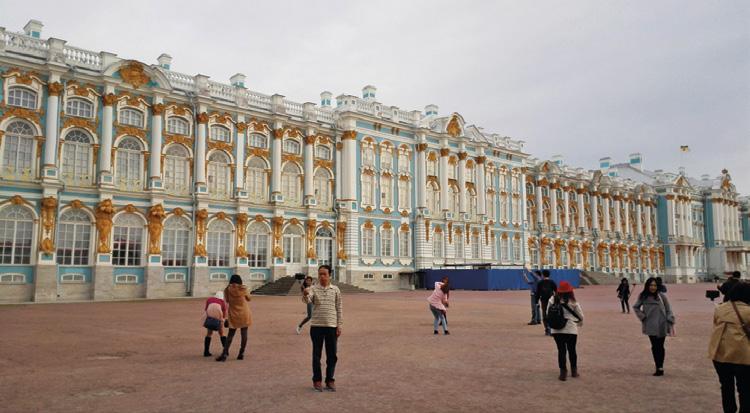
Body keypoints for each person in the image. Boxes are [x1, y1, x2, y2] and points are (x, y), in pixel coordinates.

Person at [709, 281, 750, 413]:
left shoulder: (719, 309)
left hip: (720, 354)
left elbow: (715, 325)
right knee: (745, 389)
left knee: (726, 387)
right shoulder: (748, 311)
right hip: (742, 357)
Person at [303, 265, 343, 392]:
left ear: (330, 275)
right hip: (317, 326)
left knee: (332, 355)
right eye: (320, 274)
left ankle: (330, 380)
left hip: (331, 326)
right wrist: (305, 294)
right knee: (316, 355)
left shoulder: (335, 290)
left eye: (324, 274)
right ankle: (317, 380)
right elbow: (308, 300)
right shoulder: (313, 289)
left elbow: (339, 308)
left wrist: (339, 325)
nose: (322, 276)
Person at [633, 277, 675, 376]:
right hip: (650, 325)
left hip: (662, 324)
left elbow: (668, 309)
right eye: (651, 285)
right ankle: (657, 366)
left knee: (660, 346)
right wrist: (643, 317)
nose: (653, 287)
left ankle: (660, 367)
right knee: (655, 346)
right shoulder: (643, 296)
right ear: (647, 286)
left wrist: (670, 318)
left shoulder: (661, 296)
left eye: (655, 285)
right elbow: (636, 307)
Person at [548, 281, 583, 381]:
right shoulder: (573, 302)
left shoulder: (552, 299)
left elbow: (547, 313)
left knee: (561, 350)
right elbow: (581, 316)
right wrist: (579, 324)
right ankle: (574, 371)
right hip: (571, 329)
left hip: (557, 330)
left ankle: (563, 372)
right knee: (572, 350)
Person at [216, 274, 252, 362]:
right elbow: (249, 299)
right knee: (244, 334)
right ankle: (241, 353)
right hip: (244, 313)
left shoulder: (227, 289)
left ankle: (224, 353)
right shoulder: (244, 289)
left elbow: (227, 300)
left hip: (233, 313)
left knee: (230, 335)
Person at [202, 291, 227, 357]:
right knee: (221, 333)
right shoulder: (222, 302)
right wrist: (223, 320)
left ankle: (206, 351)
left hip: (210, 318)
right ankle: (225, 351)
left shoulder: (209, 299)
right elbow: (224, 313)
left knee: (209, 334)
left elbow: (206, 309)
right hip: (218, 318)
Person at [536, 270, 558, 335]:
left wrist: (536, 301)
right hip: (551, 300)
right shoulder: (552, 282)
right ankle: (551, 329)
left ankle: (547, 329)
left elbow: (538, 293)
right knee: (551, 314)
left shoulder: (540, 283)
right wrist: (556, 299)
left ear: (543, 275)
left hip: (543, 300)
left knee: (544, 314)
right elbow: (556, 291)